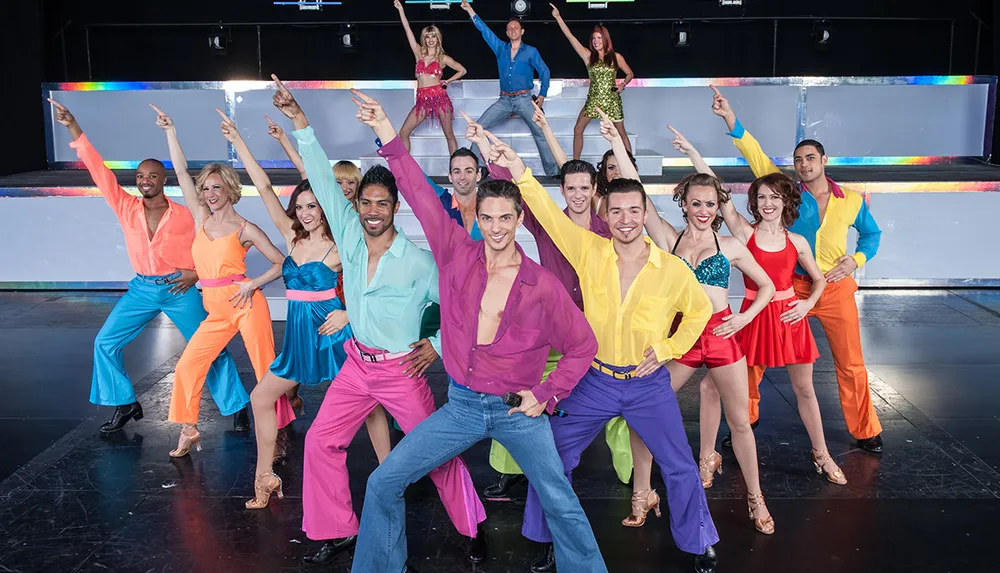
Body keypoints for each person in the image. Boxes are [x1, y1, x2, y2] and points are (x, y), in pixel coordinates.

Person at [348, 89, 607, 573]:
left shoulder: (542, 285)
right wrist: (385, 128)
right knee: (383, 482)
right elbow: (419, 194)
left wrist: (546, 393)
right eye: (487, 218)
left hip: (517, 411)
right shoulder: (456, 254)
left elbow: (583, 346)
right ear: (478, 217)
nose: (496, 227)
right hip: (463, 406)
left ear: (519, 219)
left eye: (505, 218)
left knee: (560, 499)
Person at [269, 75, 487, 565]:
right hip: (356, 367)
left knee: (436, 455)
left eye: (381, 204)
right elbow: (321, 177)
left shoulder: (418, 262)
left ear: (395, 207)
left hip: (400, 371)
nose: (371, 211)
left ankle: (472, 526)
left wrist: (435, 342)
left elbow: (462, 308)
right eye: (365, 202)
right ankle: (339, 528)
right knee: (321, 441)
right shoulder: (348, 233)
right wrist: (299, 119)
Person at [488, 133, 719, 573]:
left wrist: (668, 348)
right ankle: (547, 536)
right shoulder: (589, 250)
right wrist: (517, 168)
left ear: (645, 214)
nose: (625, 219)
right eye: (616, 211)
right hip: (593, 380)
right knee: (551, 455)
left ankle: (698, 540)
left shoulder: (671, 269)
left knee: (679, 464)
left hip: (647, 384)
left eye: (634, 211)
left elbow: (699, 312)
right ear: (605, 213)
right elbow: (547, 214)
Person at [599, 115, 776, 534]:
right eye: (696, 204)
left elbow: (768, 286)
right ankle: (642, 493)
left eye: (710, 204)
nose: (703, 211)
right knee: (644, 414)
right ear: (684, 204)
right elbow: (635, 187)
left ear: (717, 207)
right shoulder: (668, 239)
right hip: (679, 338)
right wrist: (617, 140)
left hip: (720, 334)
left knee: (740, 422)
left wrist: (744, 317)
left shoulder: (730, 245)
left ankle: (756, 498)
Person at [217, 112, 395, 509]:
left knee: (369, 407)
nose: (305, 212)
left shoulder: (342, 243)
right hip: (298, 340)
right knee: (261, 398)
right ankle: (265, 477)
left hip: (332, 333)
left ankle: (390, 473)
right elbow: (263, 186)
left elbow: (374, 282)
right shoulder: (291, 237)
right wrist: (237, 140)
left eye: (313, 205)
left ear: (325, 206)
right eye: (300, 206)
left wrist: (349, 315)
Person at [47, 99, 247, 435]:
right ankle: (125, 403)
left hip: (178, 287)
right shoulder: (126, 206)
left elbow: (211, 248)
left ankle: (237, 406)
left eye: (152, 175)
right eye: (140, 176)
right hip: (141, 288)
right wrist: (73, 127)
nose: (145, 180)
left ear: (163, 179)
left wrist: (197, 274)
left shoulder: (186, 214)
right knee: (104, 342)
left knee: (210, 347)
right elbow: (98, 171)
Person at [466, 109, 634, 498]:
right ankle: (509, 470)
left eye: (584, 188)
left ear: (594, 189)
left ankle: (630, 472)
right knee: (521, 389)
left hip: (597, 328)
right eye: (570, 188)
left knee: (616, 396)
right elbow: (514, 192)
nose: (577, 194)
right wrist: (486, 149)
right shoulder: (546, 222)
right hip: (548, 326)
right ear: (563, 191)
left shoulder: (609, 231)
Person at [670, 127, 849, 486]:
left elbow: (818, 279)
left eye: (775, 197)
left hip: (788, 317)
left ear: (786, 202)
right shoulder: (744, 233)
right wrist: (692, 152)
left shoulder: (797, 241)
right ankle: (708, 457)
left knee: (805, 389)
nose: (768, 203)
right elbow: (717, 192)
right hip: (750, 318)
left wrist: (806, 305)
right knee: (710, 388)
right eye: (762, 197)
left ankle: (822, 453)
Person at [711, 85, 885, 453]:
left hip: (834, 288)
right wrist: (729, 117)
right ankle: (745, 419)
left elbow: (872, 235)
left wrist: (856, 259)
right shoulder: (786, 191)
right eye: (798, 159)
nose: (804, 164)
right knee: (753, 359)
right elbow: (755, 154)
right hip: (788, 288)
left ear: (823, 160)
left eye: (810, 158)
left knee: (851, 362)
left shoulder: (851, 201)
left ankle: (865, 428)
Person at [150, 105, 285, 458]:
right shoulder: (201, 217)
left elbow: (282, 263)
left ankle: (278, 433)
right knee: (188, 365)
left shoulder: (245, 229)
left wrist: (252, 284)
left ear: (229, 189)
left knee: (265, 370)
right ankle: (189, 428)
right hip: (215, 310)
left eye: (216, 187)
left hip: (245, 304)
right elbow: (180, 171)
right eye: (206, 188)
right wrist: (170, 131)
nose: (210, 193)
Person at [460, 0, 560, 177]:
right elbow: (485, 31)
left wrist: (542, 94)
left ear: (522, 31)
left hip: (524, 99)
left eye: (516, 28)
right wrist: (470, 11)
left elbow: (545, 71)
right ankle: (479, 168)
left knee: (540, 132)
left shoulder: (530, 51)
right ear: (507, 33)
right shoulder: (500, 48)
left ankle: (553, 171)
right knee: (479, 128)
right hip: (504, 100)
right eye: (510, 28)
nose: (513, 30)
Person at [550, 2, 633, 159]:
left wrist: (622, 85)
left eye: (599, 38)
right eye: (594, 38)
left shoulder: (616, 57)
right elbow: (570, 37)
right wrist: (558, 17)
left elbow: (630, 74)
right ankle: (575, 163)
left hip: (612, 100)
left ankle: (631, 164)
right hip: (594, 100)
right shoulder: (588, 56)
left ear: (605, 39)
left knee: (621, 133)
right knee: (578, 129)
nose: (596, 41)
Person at [393, 0, 466, 156]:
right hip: (422, 100)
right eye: (427, 37)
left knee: (449, 135)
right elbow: (407, 29)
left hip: (440, 98)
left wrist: (448, 81)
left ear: (438, 39)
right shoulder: (418, 53)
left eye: (433, 36)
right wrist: (400, 10)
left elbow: (462, 70)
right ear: (424, 39)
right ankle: (405, 166)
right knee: (404, 131)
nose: (431, 39)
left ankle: (456, 166)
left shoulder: (443, 58)